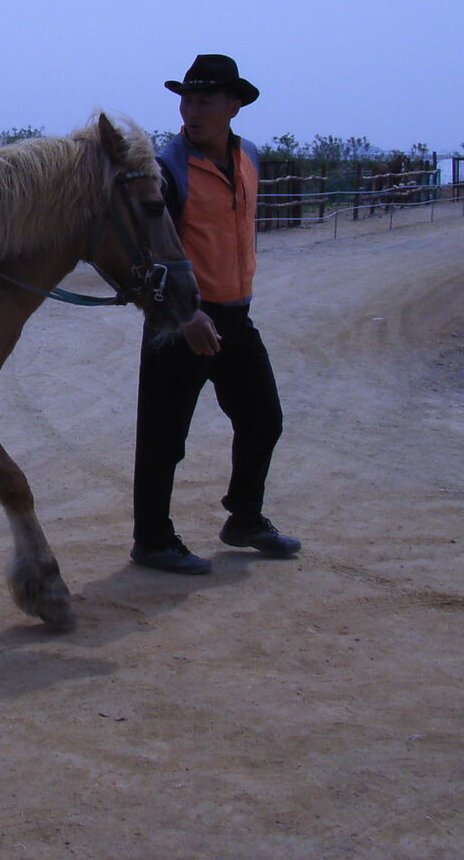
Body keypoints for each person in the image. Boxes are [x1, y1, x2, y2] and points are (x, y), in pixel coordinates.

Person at [130, 54, 300, 574]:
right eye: (186, 99)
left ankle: (244, 517)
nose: (192, 110)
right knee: (163, 438)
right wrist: (183, 315)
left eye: (204, 100)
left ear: (234, 106)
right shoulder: (166, 167)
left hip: (235, 317)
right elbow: (145, 256)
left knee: (262, 419)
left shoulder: (248, 154)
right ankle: (152, 541)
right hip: (181, 322)